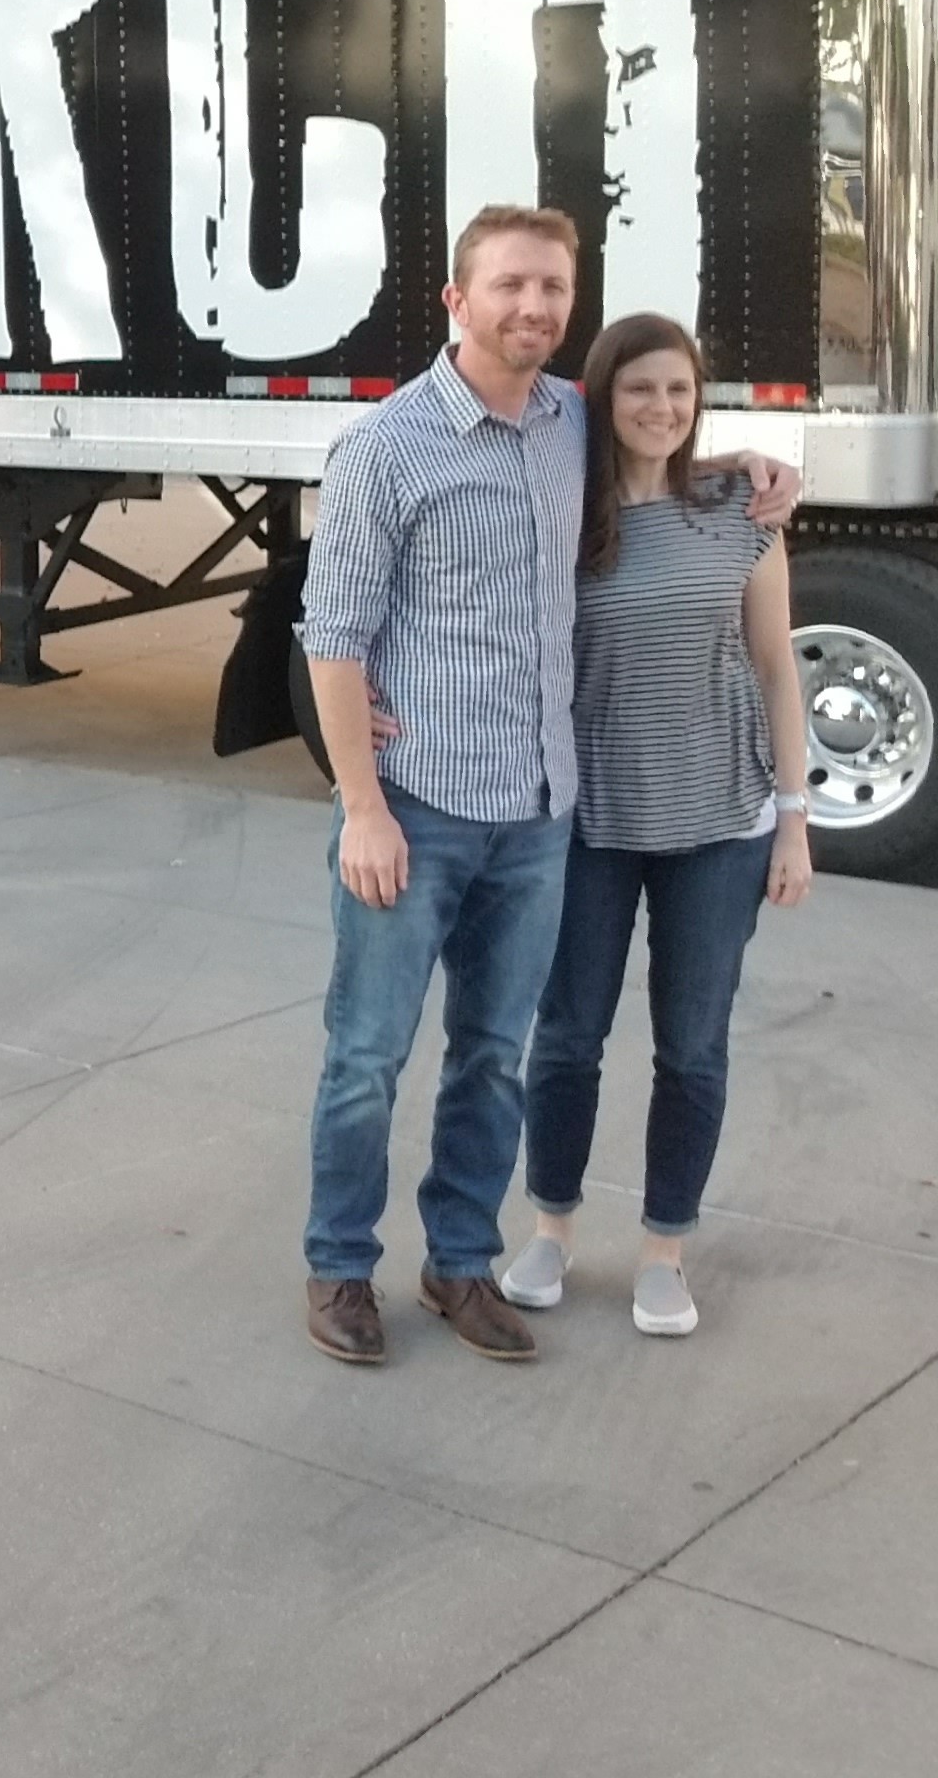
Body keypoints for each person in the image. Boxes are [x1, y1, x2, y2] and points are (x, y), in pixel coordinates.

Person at [292, 207, 793, 1370]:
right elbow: (334, 632)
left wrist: (750, 465)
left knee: (492, 1055)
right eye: (510, 284)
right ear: (457, 300)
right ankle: (340, 1267)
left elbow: (659, 443)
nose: (534, 306)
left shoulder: (571, 421)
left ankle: (460, 1262)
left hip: (540, 812)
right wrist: (362, 805)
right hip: (416, 808)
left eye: (554, 287)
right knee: (367, 1056)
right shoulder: (387, 448)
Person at [497, 313, 814, 1339]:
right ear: (601, 396)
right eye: (640, 388)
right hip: (591, 822)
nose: (662, 408)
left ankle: (665, 1252)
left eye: (680, 390)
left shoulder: (742, 510)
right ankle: (551, 1231)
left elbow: (776, 669)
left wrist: (795, 822)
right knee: (567, 1039)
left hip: (723, 824)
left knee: (693, 1047)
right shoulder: (563, 512)